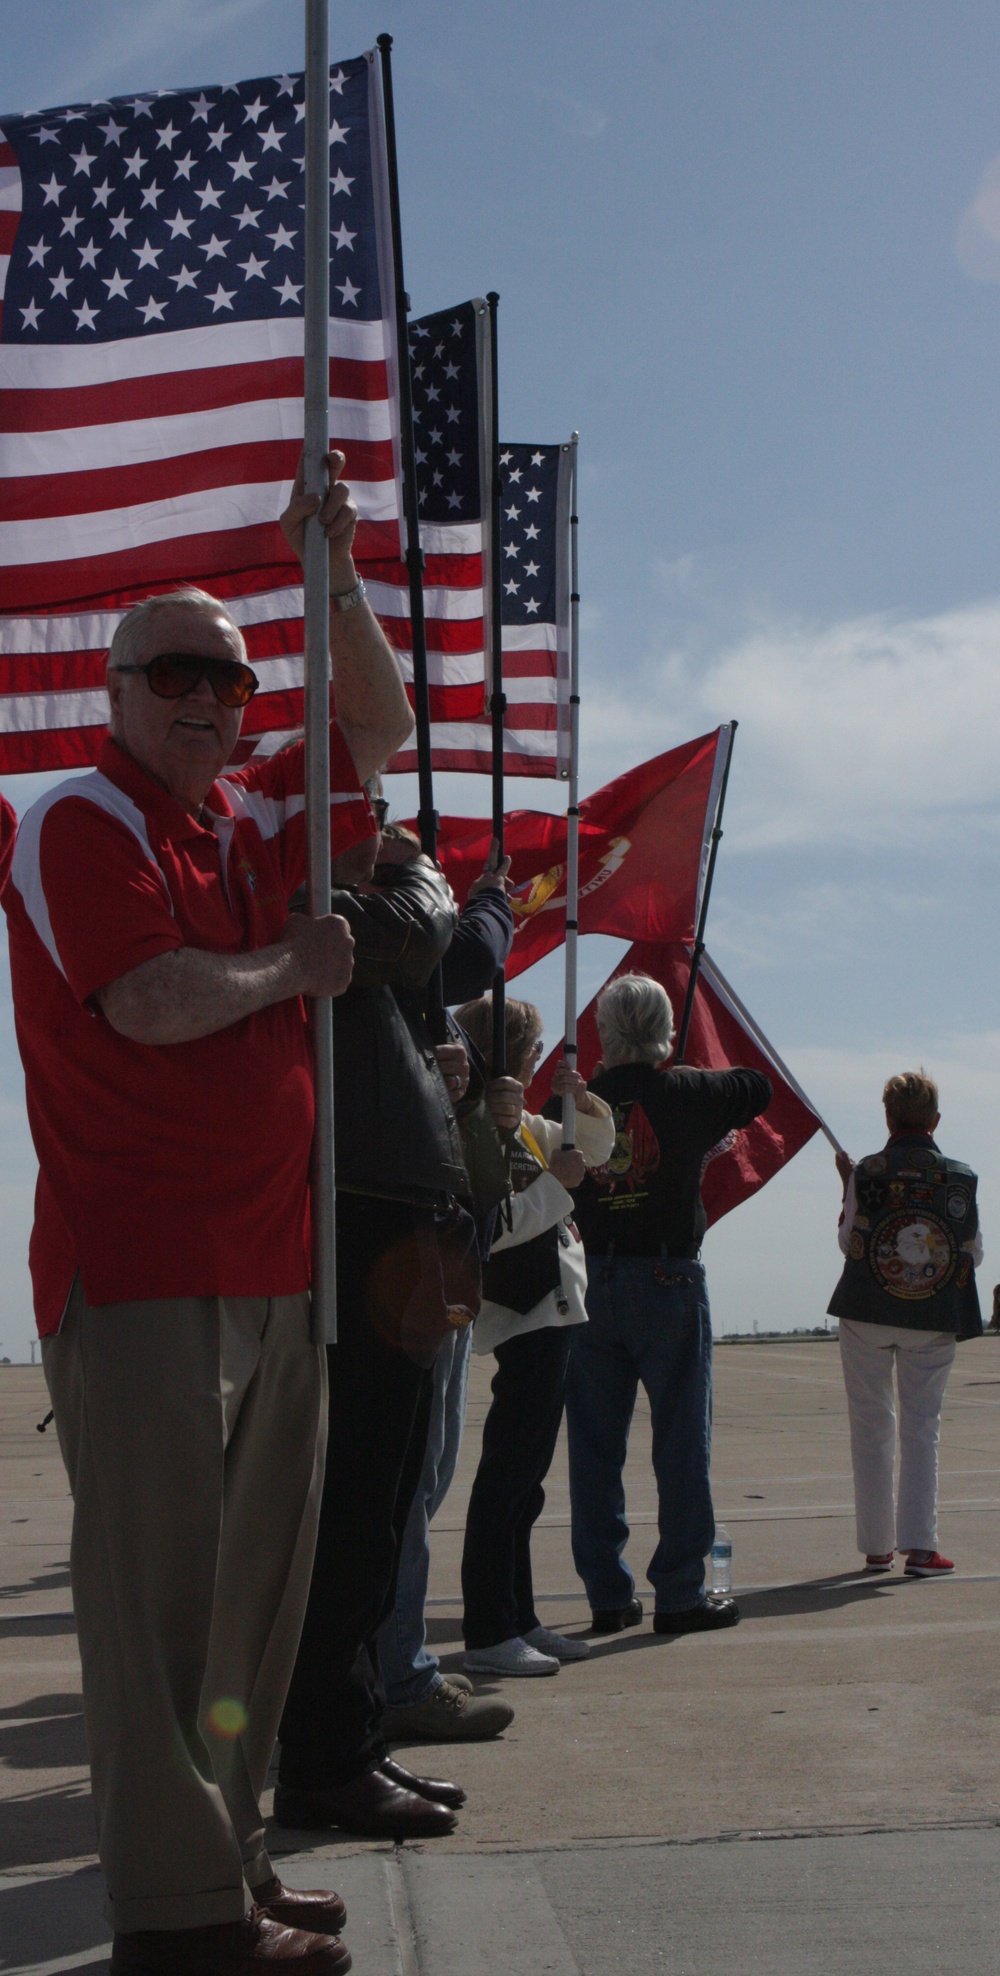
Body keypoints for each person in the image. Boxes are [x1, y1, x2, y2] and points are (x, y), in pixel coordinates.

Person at [5, 450, 413, 1974]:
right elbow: (150, 999)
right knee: (159, 1607)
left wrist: (337, 578)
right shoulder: (79, 820)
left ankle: (226, 1867)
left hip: (275, 1262)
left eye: (227, 679)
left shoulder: (251, 816)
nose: (205, 699)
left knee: (255, 1601)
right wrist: (295, 971)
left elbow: (382, 724)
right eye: (172, 672)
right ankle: (174, 1921)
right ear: (116, 691)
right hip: (145, 1272)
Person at [274, 816, 485, 1839]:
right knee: (353, 1510)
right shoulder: (320, 907)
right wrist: (426, 874)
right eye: (359, 815)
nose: (380, 830)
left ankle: (343, 1740)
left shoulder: (358, 935)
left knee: (380, 1505)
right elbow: (422, 929)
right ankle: (324, 1756)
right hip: (353, 1222)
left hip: (395, 1218)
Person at [567, 974, 772, 1636]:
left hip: (592, 1280)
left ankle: (606, 1592)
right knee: (681, 1442)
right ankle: (680, 1594)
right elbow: (755, 1088)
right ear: (658, 1029)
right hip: (668, 1279)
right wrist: (680, 1070)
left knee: (594, 1448)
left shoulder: (575, 1101)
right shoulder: (685, 1091)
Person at [378, 839, 520, 1744]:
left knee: (422, 1480)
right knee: (405, 1481)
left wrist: (467, 1098)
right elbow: (467, 950)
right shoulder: (390, 954)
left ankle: (383, 1663)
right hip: (405, 1256)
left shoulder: (422, 1010)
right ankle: (395, 1671)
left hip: (441, 1247)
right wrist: (492, 899)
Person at [456, 995, 615, 1677]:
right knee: (507, 1477)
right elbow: (489, 1231)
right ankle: (490, 1626)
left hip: (552, 1311)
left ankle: (519, 1617)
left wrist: (584, 1103)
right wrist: (554, 1188)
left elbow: (598, 1150)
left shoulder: (525, 1125)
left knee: (527, 1484)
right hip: (521, 1313)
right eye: (530, 1047)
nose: (535, 1060)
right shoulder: (477, 1131)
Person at [828, 1069, 983, 1576]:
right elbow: (972, 1254)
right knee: (922, 1428)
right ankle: (921, 1547)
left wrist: (848, 1186)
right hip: (933, 1314)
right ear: (934, 1120)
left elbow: (848, 1242)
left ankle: (877, 1547)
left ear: (888, 1117)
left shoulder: (865, 1171)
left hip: (866, 1310)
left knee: (871, 1427)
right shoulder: (961, 1177)